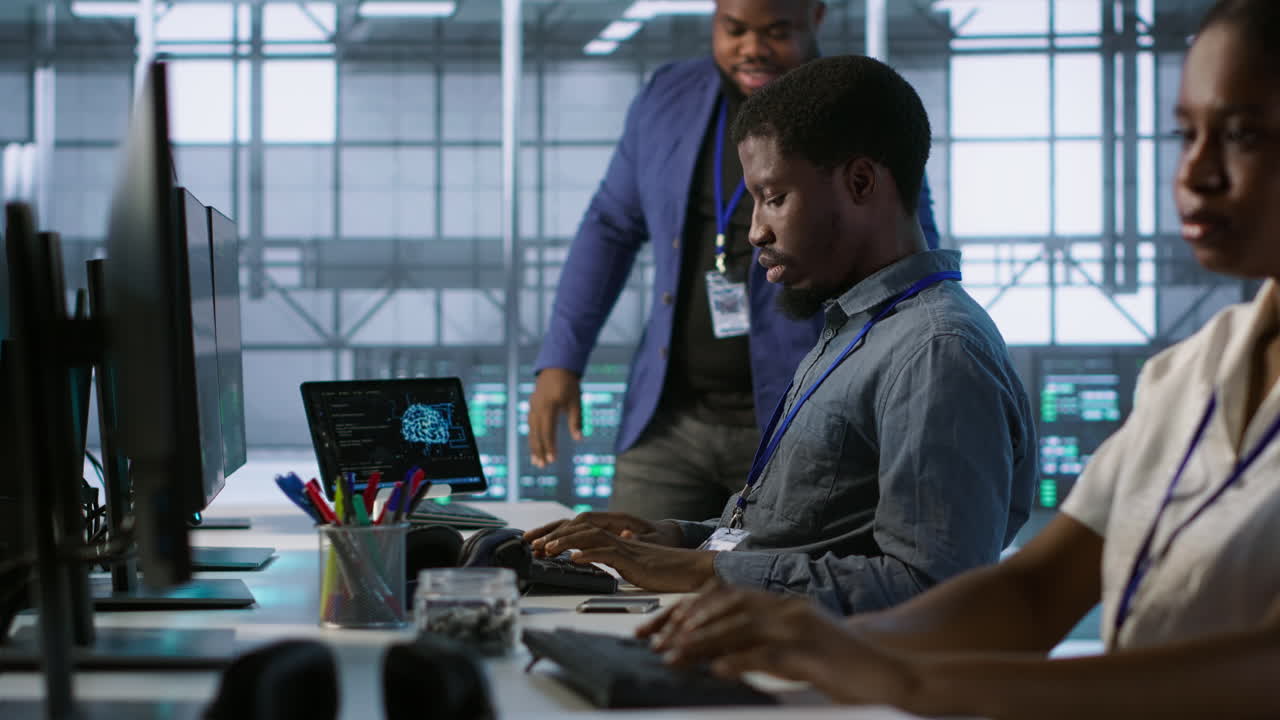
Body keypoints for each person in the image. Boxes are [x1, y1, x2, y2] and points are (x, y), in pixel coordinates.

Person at [638, 2, 1280, 716]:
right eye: (1184, 134)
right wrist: (812, 637)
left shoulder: (937, 346)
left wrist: (901, 677)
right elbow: (1030, 594)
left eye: (1244, 135)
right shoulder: (1191, 373)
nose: (1195, 173)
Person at [523, 53, 1035, 613]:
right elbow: (805, 533)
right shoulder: (853, 328)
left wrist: (705, 570)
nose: (757, 231)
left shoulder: (936, 352)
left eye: (774, 198)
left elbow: (931, 591)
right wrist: (677, 537)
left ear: (861, 182)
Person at [528, 0, 942, 522]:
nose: (751, 48)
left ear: (815, 17)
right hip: (668, 422)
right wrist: (562, 360)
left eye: (775, 31)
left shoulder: (860, 108)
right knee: (629, 582)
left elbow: (906, 250)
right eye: (735, 29)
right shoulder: (665, 98)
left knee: (776, 588)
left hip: (803, 417)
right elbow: (609, 227)